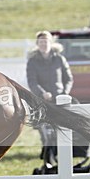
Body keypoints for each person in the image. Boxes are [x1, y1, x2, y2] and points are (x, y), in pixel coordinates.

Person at [26, 31, 73, 168]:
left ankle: (61, 159)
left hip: (59, 101)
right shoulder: (32, 61)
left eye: (46, 41)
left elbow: (68, 78)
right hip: (42, 102)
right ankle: (47, 159)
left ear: (51, 43)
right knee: (45, 132)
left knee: (61, 130)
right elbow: (32, 82)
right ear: (37, 44)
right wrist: (42, 93)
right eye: (41, 42)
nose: (43, 44)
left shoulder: (59, 59)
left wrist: (64, 94)